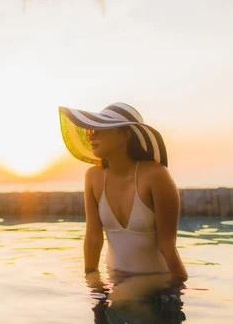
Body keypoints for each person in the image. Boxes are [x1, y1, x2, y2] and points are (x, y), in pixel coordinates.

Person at [58, 101, 188, 281]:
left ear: (125, 134)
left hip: (156, 280)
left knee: (123, 301)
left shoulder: (156, 175)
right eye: (90, 130)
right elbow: (93, 237)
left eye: (99, 130)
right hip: (114, 276)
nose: (91, 136)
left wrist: (179, 288)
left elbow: (167, 245)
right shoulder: (93, 177)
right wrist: (91, 279)